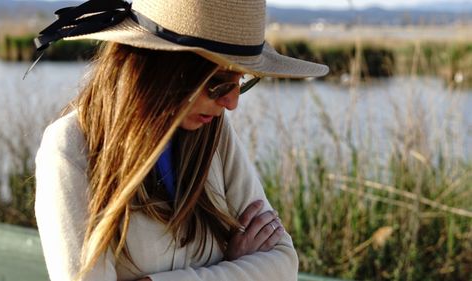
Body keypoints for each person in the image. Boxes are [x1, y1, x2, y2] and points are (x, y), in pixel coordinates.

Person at [33, 0, 329, 280]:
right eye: (217, 83)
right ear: (159, 67)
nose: (231, 103)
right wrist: (236, 267)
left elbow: (283, 263)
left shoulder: (215, 134)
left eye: (241, 81)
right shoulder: (72, 149)